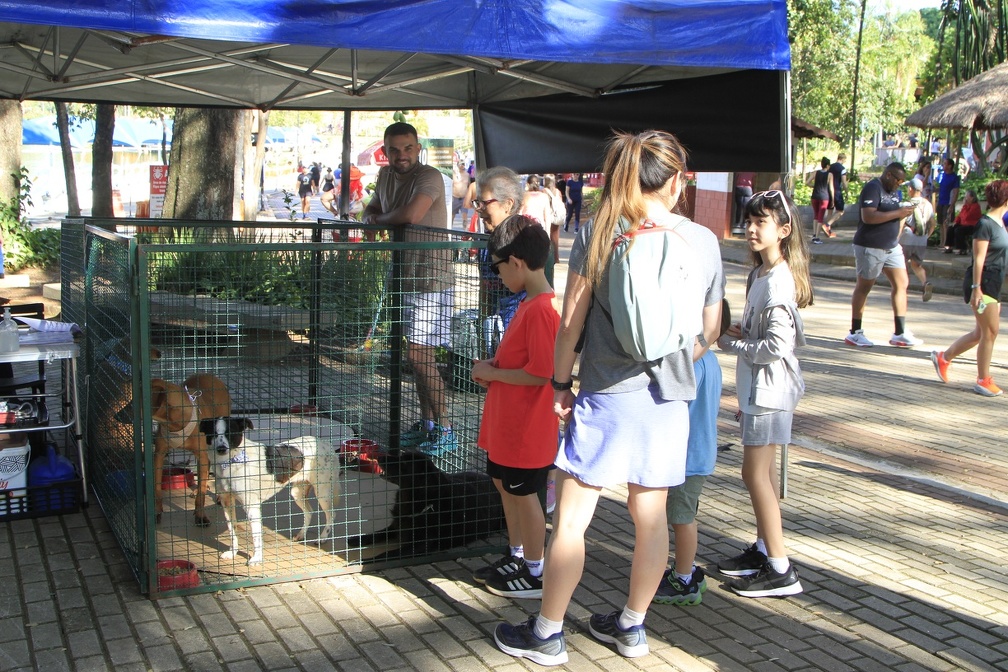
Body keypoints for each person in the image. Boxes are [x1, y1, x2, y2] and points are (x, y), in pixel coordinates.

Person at [493, 130, 717, 665]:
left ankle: (548, 632)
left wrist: (560, 385)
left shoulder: (600, 231)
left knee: (572, 518)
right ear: (679, 181)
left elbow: (570, 324)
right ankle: (632, 628)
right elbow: (711, 326)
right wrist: (686, 356)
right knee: (652, 517)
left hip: (607, 395)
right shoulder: (703, 240)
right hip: (669, 399)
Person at [716, 189, 812, 598]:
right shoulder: (760, 275)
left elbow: (777, 346)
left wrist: (730, 343)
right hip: (762, 391)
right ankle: (762, 548)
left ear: (783, 230)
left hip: (769, 393)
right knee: (764, 473)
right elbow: (763, 334)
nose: (751, 229)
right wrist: (743, 332)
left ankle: (781, 566)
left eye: (761, 223)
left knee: (753, 473)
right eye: (749, 221)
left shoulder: (777, 281)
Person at [471, 215, 560, 600]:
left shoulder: (542, 308)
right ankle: (519, 554)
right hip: (509, 423)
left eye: (500, 268)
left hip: (527, 428)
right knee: (506, 487)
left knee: (524, 495)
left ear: (517, 263)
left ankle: (536, 571)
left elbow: (541, 374)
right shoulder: (528, 303)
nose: (498, 277)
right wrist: (495, 370)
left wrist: (494, 373)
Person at [361, 122, 455, 453]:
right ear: (384, 152)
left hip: (432, 277)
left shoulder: (428, 176)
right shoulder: (386, 176)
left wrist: (376, 221)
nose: (402, 155)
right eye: (395, 149)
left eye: (408, 148)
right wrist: (370, 216)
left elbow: (411, 214)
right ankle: (428, 424)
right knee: (418, 357)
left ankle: (446, 428)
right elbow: (374, 206)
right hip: (404, 277)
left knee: (419, 356)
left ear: (418, 148)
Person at [652, 298, 726, 606]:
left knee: (682, 517)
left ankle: (684, 578)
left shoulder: (693, 363)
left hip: (688, 456)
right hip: (695, 452)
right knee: (682, 514)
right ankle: (685, 570)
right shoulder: (709, 360)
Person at [931, 180, 1008, 397]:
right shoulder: (985, 224)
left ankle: (943, 357)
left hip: (993, 283)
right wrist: (976, 289)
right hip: (982, 284)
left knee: (979, 333)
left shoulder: (1001, 223)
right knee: (990, 332)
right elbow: (979, 258)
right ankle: (983, 380)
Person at [842, 162, 920, 348]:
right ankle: (855, 332)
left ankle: (900, 332)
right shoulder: (872, 188)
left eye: (902, 182)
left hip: (891, 246)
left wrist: (904, 216)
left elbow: (895, 215)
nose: (899, 185)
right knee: (864, 286)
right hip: (870, 245)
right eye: (898, 181)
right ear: (889, 175)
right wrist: (898, 213)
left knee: (902, 283)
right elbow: (868, 216)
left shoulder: (895, 192)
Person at [899, 178, 937, 302]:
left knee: (901, 264)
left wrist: (896, 239)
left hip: (907, 238)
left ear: (911, 189)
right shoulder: (928, 204)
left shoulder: (906, 205)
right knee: (916, 264)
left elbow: (901, 223)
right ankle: (925, 283)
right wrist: (927, 236)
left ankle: (902, 290)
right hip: (921, 239)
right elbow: (933, 223)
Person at [520, 175, 556, 286]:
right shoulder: (544, 197)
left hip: (526, 232)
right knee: (541, 261)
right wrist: (548, 234)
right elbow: (547, 218)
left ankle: (530, 285)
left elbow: (519, 214)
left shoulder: (524, 196)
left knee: (527, 261)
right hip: (540, 232)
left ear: (527, 184)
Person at [806, 157, 834, 242]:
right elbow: (831, 188)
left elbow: (807, 182)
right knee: (820, 217)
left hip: (814, 196)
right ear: (828, 165)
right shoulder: (830, 175)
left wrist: (814, 186)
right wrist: (832, 199)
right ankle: (817, 237)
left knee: (816, 215)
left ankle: (814, 234)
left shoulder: (815, 173)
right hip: (824, 197)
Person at [936, 158, 961, 253]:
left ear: (950, 165)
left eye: (945, 163)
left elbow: (955, 192)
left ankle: (946, 243)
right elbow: (940, 187)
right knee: (941, 223)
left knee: (946, 223)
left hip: (948, 202)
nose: (943, 165)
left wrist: (952, 205)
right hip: (941, 202)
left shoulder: (954, 177)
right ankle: (942, 242)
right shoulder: (942, 175)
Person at [950, 189, 982, 255]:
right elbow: (960, 216)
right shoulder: (966, 206)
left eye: (967, 197)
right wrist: (955, 222)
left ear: (972, 197)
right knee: (951, 228)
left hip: (972, 226)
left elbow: (967, 216)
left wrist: (965, 206)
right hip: (964, 224)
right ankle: (949, 247)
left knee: (959, 230)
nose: (965, 198)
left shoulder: (976, 206)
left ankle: (963, 248)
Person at [543, 174, 564, 264]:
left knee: (546, 238)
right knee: (555, 239)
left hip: (547, 217)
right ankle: (556, 258)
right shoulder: (557, 191)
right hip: (556, 218)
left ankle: (547, 259)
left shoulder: (544, 191)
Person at [825, 153, 849, 229]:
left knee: (829, 211)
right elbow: (844, 182)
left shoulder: (830, 167)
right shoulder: (842, 169)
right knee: (840, 211)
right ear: (843, 159)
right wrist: (846, 192)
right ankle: (827, 225)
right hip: (837, 191)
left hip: (828, 190)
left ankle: (828, 230)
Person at [451, 160, 469, 227]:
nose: (462, 166)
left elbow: (469, 186)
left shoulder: (467, 175)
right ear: (458, 165)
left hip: (463, 198)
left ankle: (465, 232)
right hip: (455, 197)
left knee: (465, 216)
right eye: (461, 164)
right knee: (452, 216)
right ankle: (449, 232)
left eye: (463, 164)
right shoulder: (453, 175)